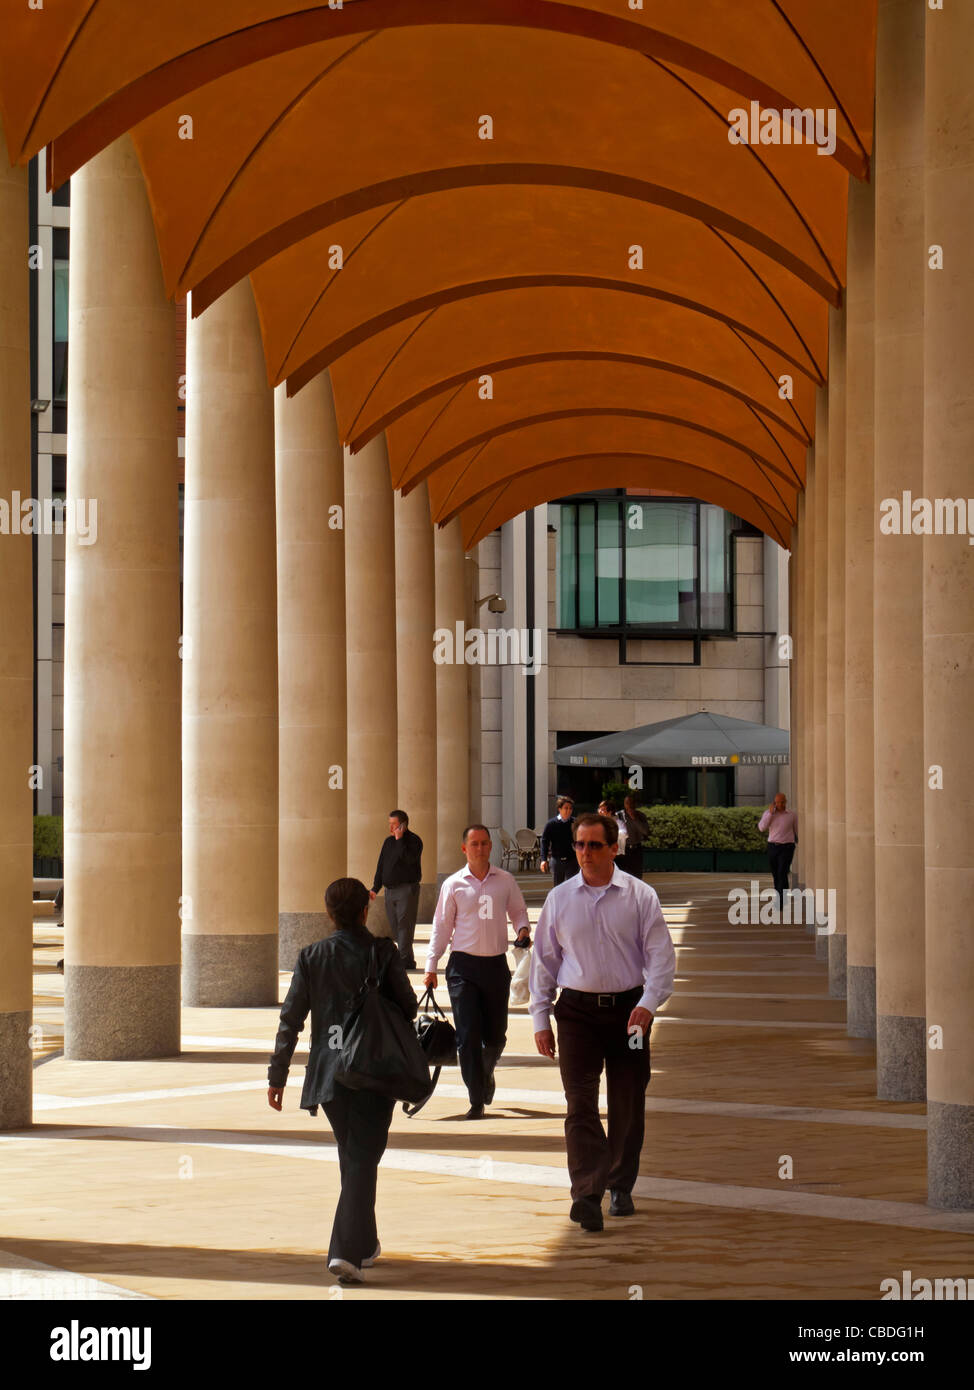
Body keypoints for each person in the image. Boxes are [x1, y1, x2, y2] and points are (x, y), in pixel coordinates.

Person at [267, 877, 418, 1285]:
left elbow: (291, 1018)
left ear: (329, 913)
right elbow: (408, 1006)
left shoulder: (311, 956)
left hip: (329, 1074)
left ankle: (365, 1243)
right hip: (374, 1069)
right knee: (362, 1158)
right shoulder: (383, 953)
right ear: (365, 911)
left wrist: (277, 1073)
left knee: (355, 1155)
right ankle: (345, 1253)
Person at [530, 813, 675, 1232]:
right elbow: (544, 963)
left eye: (594, 845)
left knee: (628, 1099)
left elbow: (661, 959)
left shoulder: (640, 896)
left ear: (615, 848)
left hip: (630, 1013)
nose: (585, 853)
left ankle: (620, 1183)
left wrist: (648, 1005)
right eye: (579, 845)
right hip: (576, 1013)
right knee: (579, 1104)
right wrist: (540, 1017)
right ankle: (587, 1193)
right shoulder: (560, 899)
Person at [424, 825, 531, 1119]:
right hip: (462, 968)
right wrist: (431, 966)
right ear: (464, 849)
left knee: (497, 1035)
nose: (481, 849)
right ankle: (475, 1098)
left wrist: (522, 928)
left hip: (496, 966)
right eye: (475, 844)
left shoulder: (505, 881)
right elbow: (442, 927)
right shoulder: (454, 885)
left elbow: (518, 911)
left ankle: (487, 1065)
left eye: (485, 844)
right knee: (468, 1035)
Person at [370, 809, 423, 969]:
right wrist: (375, 887)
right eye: (390, 824)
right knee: (395, 926)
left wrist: (400, 840)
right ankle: (408, 960)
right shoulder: (388, 842)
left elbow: (409, 859)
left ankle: (403, 961)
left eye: (394, 824)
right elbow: (381, 865)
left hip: (406, 889)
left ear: (403, 825)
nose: (391, 827)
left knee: (404, 925)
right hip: (389, 890)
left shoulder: (414, 841)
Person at [758, 793, 799, 909]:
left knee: (782, 872)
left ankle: (781, 901)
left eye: (782, 802)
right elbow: (761, 828)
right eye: (777, 802)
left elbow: (797, 830)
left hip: (787, 847)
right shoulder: (768, 814)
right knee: (776, 874)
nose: (780, 804)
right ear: (774, 803)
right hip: (773, 846)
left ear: (785, 802)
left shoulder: (791, 815)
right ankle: (781, 897)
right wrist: (770, 814)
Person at [539, 796, 578, 885]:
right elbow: (545, 842)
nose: (568, 810)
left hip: (572, 860)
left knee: (572, 886)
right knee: (557, 887)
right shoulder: (551, 824)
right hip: (557, 860)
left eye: (570, 808)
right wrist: (543, 859)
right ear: (559, 809)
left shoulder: (575, 823)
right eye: (566, 808)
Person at [618, 795, 650, 879]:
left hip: (636, 849)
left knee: (637, 875)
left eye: (631, 803)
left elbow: (645, 831)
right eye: (627, 803)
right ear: (624, 804)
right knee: (623, 875)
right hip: (623, 849)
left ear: (635, 804)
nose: (629, 805)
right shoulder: (619, 816)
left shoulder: (641, 816)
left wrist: (634, 819)